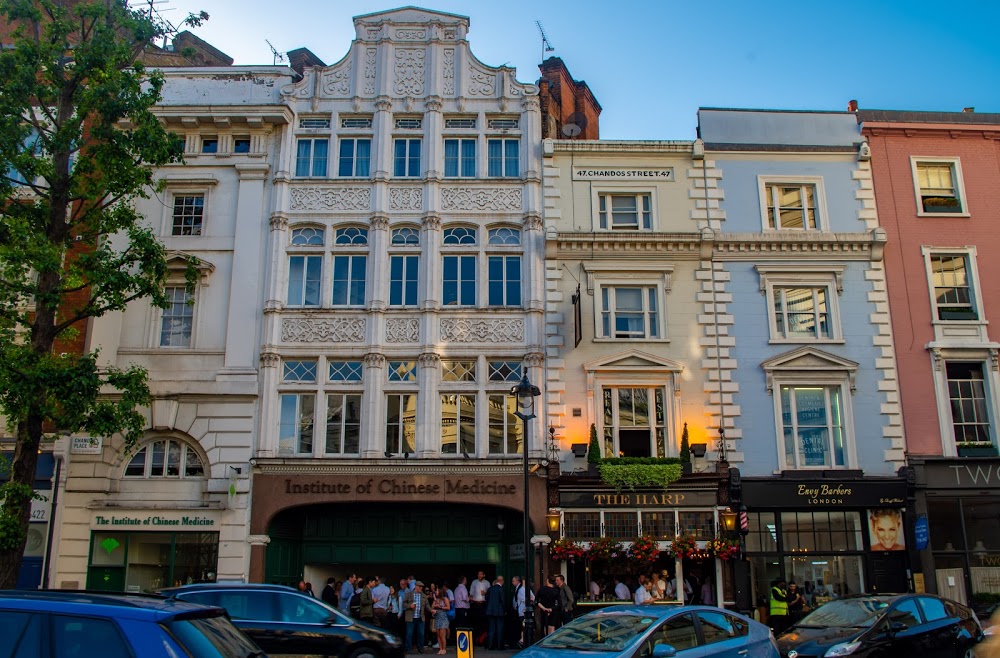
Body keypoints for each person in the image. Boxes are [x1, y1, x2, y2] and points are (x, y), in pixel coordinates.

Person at [404, 581, 430, 653]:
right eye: (419, 587)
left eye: (421, 587)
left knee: (421, 634)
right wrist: (410, 606)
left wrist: (431, 610)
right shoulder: (409, 594)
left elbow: (427, 605)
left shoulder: (423, 595)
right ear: (415, 586)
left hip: (420, 617)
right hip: (411, 617)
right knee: (409, 634)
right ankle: (408, 649)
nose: (421, 588)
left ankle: (420, 649)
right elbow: (404, 604)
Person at [485, 576, 506, 650]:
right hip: (499, 612)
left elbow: (486, 599)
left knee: (491, 629)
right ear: (501, 581)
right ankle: (500, 646)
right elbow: (503, 601)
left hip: (490, 611)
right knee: (499, 629)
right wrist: (504, 610)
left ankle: (490, 645)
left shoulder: (490, 589)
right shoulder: (501, 589)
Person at [469, 570, 489, 644]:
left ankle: (483, 640)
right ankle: (476, 640)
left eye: (481, 574)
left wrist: (485, 593)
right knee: (476, 623)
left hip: (483, 604)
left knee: (483, 623)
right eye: (478, 574)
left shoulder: (487, 583)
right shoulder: (474, 582)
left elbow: (490, 593)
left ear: (484, 575)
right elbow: (471, 592)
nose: (479, 576)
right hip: (476, 604)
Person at [432, 586, 450, 655]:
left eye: (437, 591)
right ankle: (440, 648)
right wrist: (434, 604)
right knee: (438, 635)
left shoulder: (445, 599)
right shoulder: (436, 599)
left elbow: (448, 607)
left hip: (443, 618)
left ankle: (444, 648)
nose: (436, 592)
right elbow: (432, 607)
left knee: (442, 635)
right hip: (437, 618)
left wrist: (440, 607)